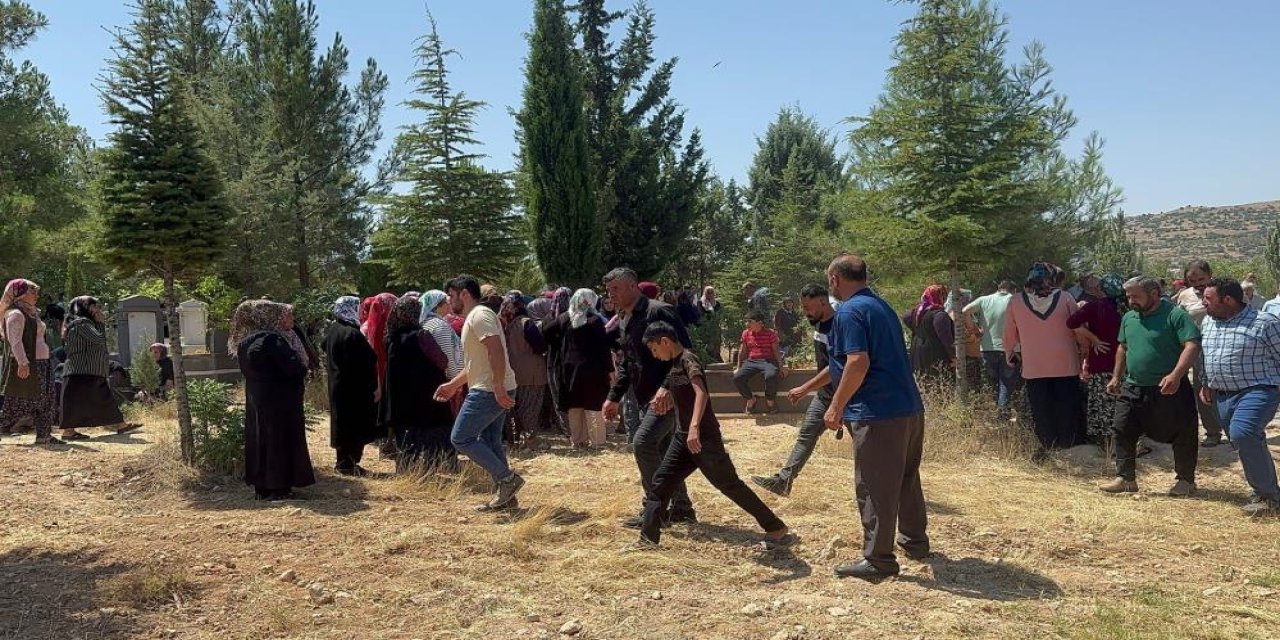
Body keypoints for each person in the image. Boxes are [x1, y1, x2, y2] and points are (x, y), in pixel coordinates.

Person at [632, 322, 793, 549]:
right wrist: (663, 393)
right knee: (659, 485)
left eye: (654, 349)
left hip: (703, 439)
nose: (654, 354)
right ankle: (647, 541)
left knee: (729, 485)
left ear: (665, 342)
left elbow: (701, 393)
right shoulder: (675, 364)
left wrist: (695, 427)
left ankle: (775, 527)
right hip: (682, 439)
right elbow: (672, 384)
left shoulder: (689, 360)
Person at [823, 255, 928, 582]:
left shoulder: (850, 311)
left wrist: (836, 405)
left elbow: (857, 361)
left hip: (878, 413)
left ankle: (879, 560)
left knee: (875, 485)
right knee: (905, 478)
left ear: (835, 279)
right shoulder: (881, 307)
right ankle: (915, 541)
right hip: (908, 408)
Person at [601, 267, 697, 528]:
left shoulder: (658, 311)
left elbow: (685, 352)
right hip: (646, 397)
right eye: (609, 291)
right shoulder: (624, 317)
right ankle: (682, 509)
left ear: (633, 286)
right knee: (665, 452)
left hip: (670, 395)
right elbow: (628, 362)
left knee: (643, 444)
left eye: (616, 289)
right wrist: (613, 396)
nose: (611, 295)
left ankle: (656, 511)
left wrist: (667, 386)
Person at [1098, 277, 1200, 497]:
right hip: (1133, 386)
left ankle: (1185, 481)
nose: (1130, 300)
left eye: (1135, 296)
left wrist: (1176, 375)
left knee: (1183, 432)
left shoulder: (1175, 315)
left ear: (1154, 293)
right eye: (1128, 296)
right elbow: (1123, 347)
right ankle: (1126, 479)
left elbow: (1192, 345)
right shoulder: (1129, 317)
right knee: (1121, 427)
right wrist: (1116, 377)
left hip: (1169, 387)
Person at [434, 275, 526, 511]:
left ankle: (507, 479)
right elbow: (476, 363)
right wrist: (453, 385)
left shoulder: (479, 315)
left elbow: (495, 349)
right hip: (491, 386)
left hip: (488, 390)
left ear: (464, 294)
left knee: (461, 438)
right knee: (489, 440)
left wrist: (496, 386)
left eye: (451, 295)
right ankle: (506, 496)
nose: (449, 301)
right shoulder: (476, 317)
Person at [1200, 278, 1280, 517]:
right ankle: (1266, 490)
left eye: (1208, 299)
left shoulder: (1264, 323)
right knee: (1245, 440)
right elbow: (1207, 355)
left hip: (1258, 390)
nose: (1203, 303)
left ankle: (1267, 496)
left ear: (1228, 300)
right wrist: (1206, 382)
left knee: (1243, 433)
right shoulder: (1208, 322)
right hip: (1222, 395)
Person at [751, 284, 837, 497]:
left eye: (808, 307)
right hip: (826, 394)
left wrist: (804, 388)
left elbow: (836, 366)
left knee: (866, 445)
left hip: (848, 395)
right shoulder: (818, 324)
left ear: (822, 301)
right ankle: (783, 481)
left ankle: (893, 484)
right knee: (806, 434)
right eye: (802, 307)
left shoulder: (839, 325)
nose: (805, 312)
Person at [231, 300, 314, 501]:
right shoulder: (272, 340)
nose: (292, 320)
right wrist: (302, 366)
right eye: (287, 316)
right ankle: (279, 487)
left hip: (258, 400)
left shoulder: (245, 341)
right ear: (272, 317)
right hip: (280, 402)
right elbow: (294, 368)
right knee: (279, 441)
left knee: (261, 440)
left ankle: (262, 487)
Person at [1004, 263, 1085, 457]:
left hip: (1034, 366)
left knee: (1041, 407)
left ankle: (1048, 443)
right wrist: (1084, 349)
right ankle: (1069, 442)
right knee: (1067, 404)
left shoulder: (1015, 301)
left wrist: (1010, 353)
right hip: (1065, 364)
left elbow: (1008, 333)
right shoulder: (1065, 298)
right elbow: (1078, 327)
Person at [384, 295, 456, 474]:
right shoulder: (421, 335)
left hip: (401, 398)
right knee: (431, 435)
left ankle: (406, 472)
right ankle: (430, 471)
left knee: (406, 438)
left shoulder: (392, 337)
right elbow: (442, 361)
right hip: (426, 397)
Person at [541, 288, 613, 448]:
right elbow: (603, 348)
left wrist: (560, 344)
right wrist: (610, 370)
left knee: (574, 405)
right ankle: (597, 441)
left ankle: (578, 440)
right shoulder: (594, 320)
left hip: (569, 368)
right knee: (593, 404)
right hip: (593, 369)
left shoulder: (564, 318)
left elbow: (546, 331)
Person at [60, 297, 140, 439]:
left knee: (103, 398)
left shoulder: (83, 323)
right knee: (76, 402)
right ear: (84, 307)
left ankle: (120, 425)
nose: (98, 309)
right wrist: (101, 322)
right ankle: (68, 431)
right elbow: (99, 339)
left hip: (88, 370)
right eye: (94, 306)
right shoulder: (82, 324)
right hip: (81, 370)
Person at [322, 296, 380, 476]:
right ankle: (348, 463)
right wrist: (374, 386)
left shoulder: (334, 330)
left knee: (342, 424)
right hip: (355, 389)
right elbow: (367, 360)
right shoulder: (352, 334)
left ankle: (344, 461)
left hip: (339, 385)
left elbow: (324, 346)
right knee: (354, 425)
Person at [1067, 274, 1125, 449]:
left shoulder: (1094, 307)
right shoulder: (1126, 308)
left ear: (1099, 289)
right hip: (1125, 363)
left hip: (1101, 361)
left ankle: (1107, 443)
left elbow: (1071, 323)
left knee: (1103, 403)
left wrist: (1094, 339)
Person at [1173, 259, 1226, 447]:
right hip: (1198, 349)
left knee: (1228, 387)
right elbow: (1178, 321)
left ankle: (1236, 428)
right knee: (1201, 388)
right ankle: (1212, 431)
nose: (1197, 284)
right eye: (1192, 280)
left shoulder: (1224, 290)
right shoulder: (1185, 296)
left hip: (1225, 346)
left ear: (1210, 275)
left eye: (1201, 279)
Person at [0, 279, 59, 444]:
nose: (36, 295)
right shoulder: (15, 314)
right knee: (19, 401)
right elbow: (15, 341)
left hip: (42, 362)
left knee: (47, 399)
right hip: (29, 363)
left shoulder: (32, 312)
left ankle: (44, 435)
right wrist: (22, 362)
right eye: (33, 292)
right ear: (21, 294)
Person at [498, 292, 549, 449]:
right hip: (532, 374)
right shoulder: (527, 323)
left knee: (514, 410)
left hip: (512, 374)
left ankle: (515, 441)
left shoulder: (505, 324)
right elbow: (540, 347)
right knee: (530, 408)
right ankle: (530, 441)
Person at [964, 281, 1018, 416]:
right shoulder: (1015, 300)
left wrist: (974, 329)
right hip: (1013, 350)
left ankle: (998, 411)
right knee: (1008, 382)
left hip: (987, 348)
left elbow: (964, 311)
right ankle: (1003, 413)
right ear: (1014, 290)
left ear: (998, 289)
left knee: (994, 382)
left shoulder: (984, 300)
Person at [731, 310, 785, 413]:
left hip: (768, 360)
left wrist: (781, 366)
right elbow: (742, 352)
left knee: (771, 375)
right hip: (752, 361)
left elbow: (776, 351)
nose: (747, 324)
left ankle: (770, 401)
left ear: (759, 323)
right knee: (737, 378)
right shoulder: (746, 333)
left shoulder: (770, 333)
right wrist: (738, 367)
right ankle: (751, 399)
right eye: (746, 321)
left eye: (750, 321)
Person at [903, 284, 954, 382]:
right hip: (935, 353)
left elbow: (906, 316)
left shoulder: (917, 312)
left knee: (921, 380)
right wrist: (953, 356)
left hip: (917, 350)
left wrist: (917, 330)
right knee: (938, 381)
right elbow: (946, 339)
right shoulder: (939, 315)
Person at [418, 290, 464, 380]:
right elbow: (448, 358)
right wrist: (455, 382)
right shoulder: (439, 326)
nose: (449, 305)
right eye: (446, 303)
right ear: (437, 305)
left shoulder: (425, 323)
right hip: (450, 382)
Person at [698, 286, 724, 363]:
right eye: (708, 292)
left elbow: (720, 314)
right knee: (708, 345)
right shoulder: (700, 303)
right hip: (706, 327)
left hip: (715, 327)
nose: (710, 294)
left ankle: (716, 358)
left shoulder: (717, 304)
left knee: (716, 344)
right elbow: (701, 314)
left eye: (711, 292)